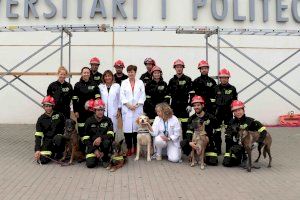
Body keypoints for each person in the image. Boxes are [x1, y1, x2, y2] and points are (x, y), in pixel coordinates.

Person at [223, 100, 268, 167]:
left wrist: (258, 142)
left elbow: (264, 131)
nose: (238, 112)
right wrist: (232, 141)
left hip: (249, 144)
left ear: (243, 110)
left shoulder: (251, 121)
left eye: (239, 110)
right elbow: (227, 135)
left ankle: (245, 157)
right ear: (233, 113)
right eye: (235, 111)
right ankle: (241, 157)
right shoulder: (231, 122)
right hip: (236, 146)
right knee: (227, 163)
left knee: (240, 158)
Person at [180, 96, 219, 165]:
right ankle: (192, 153)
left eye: (198, 105)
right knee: (184, 142)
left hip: (207, 143)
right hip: (195, 142)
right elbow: (189, 132)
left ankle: (203, 154)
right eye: (194, 106)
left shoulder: (210, 117)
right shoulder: (192, 119)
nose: (196, 107)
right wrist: (190, 142)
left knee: (212, 161)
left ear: (203, 105)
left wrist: (214, 143)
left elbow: (217, 130)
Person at [120, 65, 146, 156]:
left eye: (132, 71)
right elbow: (122, 96)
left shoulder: (140, 82)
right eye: (129, 72)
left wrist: (137, 105)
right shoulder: (124, 83)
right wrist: (128, 105)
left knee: (136, 130)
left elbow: (143, 95)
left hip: (137, 109)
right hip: (127, 109)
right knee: (127, 131)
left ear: (135, 72)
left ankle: (135, 148)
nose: (131, 73)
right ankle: (129, 148)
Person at [211, 68, 237, 155]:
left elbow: (235, 103)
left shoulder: (232, 89)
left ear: (228, 78)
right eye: (222, 77)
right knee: (217, 133)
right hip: (217, 114)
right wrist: (213, 112)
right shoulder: (215, 88)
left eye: (226, 77)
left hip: (228, 115)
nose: (224, 79)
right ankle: (218, 150)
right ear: (219, 78)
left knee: (228, 134)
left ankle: (228, 151)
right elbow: (212, 101)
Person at [72, 67, 101, 146]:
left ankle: (92, 147)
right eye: (84, 72)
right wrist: (75, 111)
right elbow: (74, 99)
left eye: (87, 72)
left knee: (92, 129)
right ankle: (82, 147)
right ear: (82, 74)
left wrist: (96, 109)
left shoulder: (94, 84)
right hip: (81, 112)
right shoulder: (77, 85)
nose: (86, 74)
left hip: (92, 112)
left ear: (90, 73)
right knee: (81, 129)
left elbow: (98, 98)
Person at [34, 96, 66, 164]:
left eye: (50, 106)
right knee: (43, 160)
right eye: (46, 106)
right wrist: (37, 150)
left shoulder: (59, 115)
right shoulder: (41, 119)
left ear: (52, 106)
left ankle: (59, 152)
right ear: (43, 107)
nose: (48, 108)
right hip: (47, 141)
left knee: (58, 138)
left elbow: (65, 127)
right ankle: (51, 153)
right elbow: (38, 136)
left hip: (59, 139)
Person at [84, 99, 115, 168]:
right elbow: (85, 138)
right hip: (92, 146)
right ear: (94, 111)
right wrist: (94, 150)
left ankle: (105, 158)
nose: (100, 112)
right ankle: (96, 157)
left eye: (102, 110)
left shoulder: (108, 120)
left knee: (106, 142)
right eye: (98, 110)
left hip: (104, 146)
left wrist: (100, 138)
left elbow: (111, 135)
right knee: (90, 164)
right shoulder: (89, 121)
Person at [167, 59, 193, 138]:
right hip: (174, 107)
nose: (179, 68)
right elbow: (168, 95)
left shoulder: (188, 80)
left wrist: (190, 105)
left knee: (185, 128)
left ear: (183, 68)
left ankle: (185, 146)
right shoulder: (171, 81)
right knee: (173, 128)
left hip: (184, 107)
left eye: (180, 67)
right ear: (175, 68)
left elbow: (192, 94)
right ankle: (174, 147)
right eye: (177, 67)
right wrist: (168, 106)